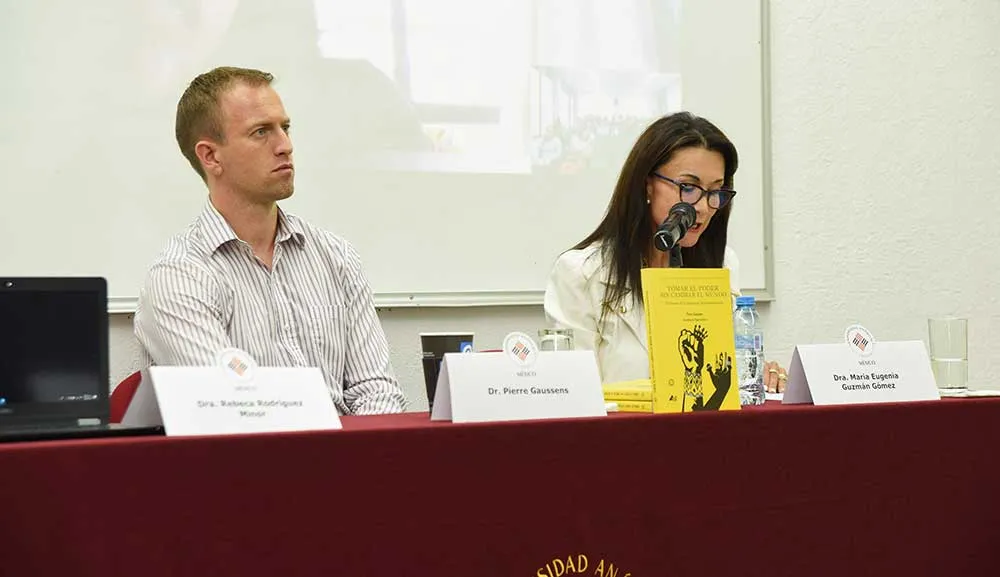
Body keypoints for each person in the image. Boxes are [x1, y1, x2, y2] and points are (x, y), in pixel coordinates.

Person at [134, 66, 406, 415]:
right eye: (261, 132)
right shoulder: (179, 276)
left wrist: (355, 460)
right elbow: (232, 410)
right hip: (248, 466)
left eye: (285, 128)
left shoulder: (335, 257)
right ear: (211, 156)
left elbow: (378, 390)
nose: (285, 146)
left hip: (349, 459)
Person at [544, 111, 787, 393]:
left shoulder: (722, 265)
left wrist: (758, 374)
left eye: (715, 191)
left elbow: (723, 374)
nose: (704, 207)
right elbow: (572, 394)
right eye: (688, 187)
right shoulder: (580, 273)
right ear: (647, 184)